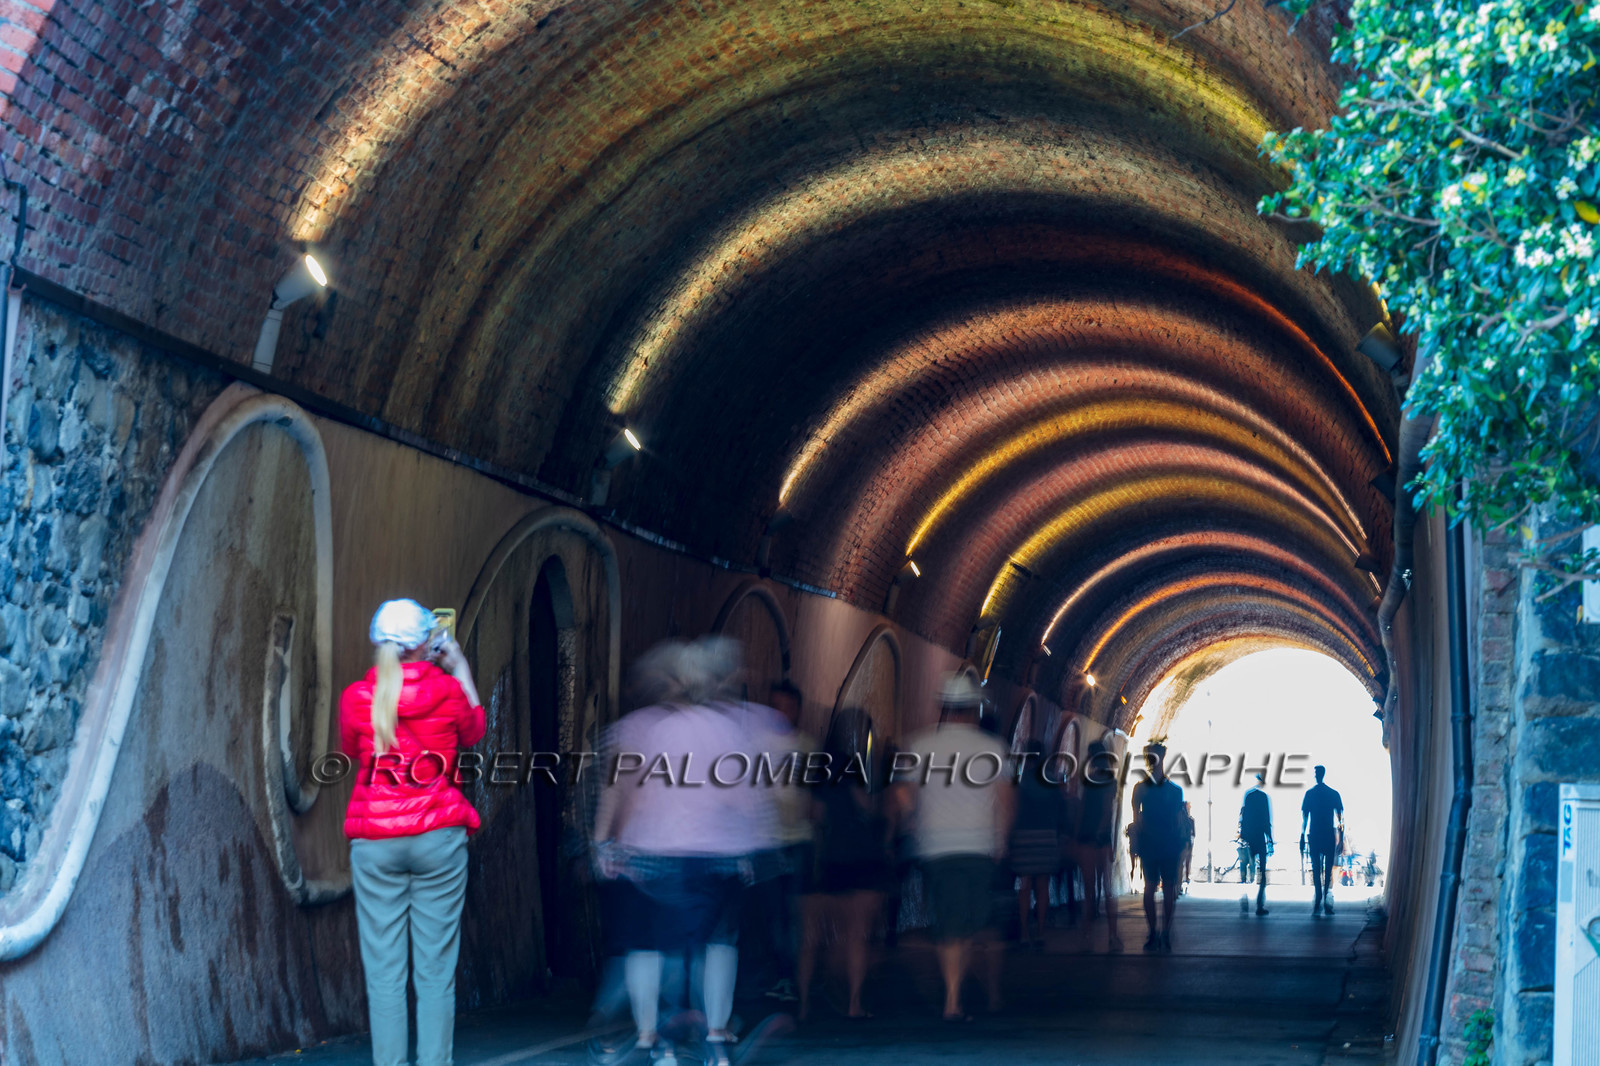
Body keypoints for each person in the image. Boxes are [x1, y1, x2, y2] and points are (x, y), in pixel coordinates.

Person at [594, 637, 783, 1065]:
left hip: (658, 856)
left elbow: (631, 792)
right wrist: (753, 846)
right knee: (717, 944)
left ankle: (658, 1041)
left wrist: (611, 845)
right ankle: (714, 1038)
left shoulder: (652, 728)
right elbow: (747, 798)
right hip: (720, 857)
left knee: (660, 947)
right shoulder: (733, 729)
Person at [341, 598, 485, 1066]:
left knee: (383, 974)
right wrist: (459, 664)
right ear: (426, 642)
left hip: (375, 839)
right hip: (437, 839)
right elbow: (475, 729)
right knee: (435, 972)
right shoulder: (446, 691)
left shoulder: (356, 698)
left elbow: (350, 748)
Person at [893, 674, 1014, 1021]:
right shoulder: (992, 749)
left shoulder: (919, 745)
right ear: (974, 708)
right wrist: (1001, 840)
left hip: (935, 849)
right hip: (978, 847)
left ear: (945, 708)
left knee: (949, 923)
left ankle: (951, 999)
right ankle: (953, 1000)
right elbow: (1004, 801)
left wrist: (911, 822)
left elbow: (903, 795)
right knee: (973, 923)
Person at [796, 707, 889, 1021]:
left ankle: (804, 1003)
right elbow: (867, 807)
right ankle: (853, 1004)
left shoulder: (816, 769)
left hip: (829, 858)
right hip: (861, 857)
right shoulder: (853, 766)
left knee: (812, 937)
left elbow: (813, 815)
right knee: (857, 934)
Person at [758, 679, 816, 1006]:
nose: (778, 713)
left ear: (796, 710)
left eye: (784, 706)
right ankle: (779, 975)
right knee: (770, 913)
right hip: (765, 842)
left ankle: (789, 977)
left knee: (792, 913)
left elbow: (812, 796)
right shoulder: (753, 745)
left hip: (797, 842)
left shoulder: (808, 746)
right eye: (773, 706)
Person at [1130, 741, 1185, 952]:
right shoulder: (1175, 790)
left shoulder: (1140, 789)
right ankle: (1165, 932)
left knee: (1150, 888)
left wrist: (1137, 845)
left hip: (1150, 844)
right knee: (1168, 888)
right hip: (1168, 844)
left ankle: (1153, 932)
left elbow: (1137, 821)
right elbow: (1178, 821)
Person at [1009, 740, 1062, 951]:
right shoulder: (1052, 779)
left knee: (1025, 886)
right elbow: (1059, 809)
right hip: (1047, 835)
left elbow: (1014, 807)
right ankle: (1040, 932)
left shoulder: (1021, 780)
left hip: (1024, 835)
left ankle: (1023, 933)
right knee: (1042, 886)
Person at [1076, 738, 1123, 952]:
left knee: (1089, 889)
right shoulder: (1111, 781)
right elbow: (1108, 811)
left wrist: (1081, 833)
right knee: (1108, 889)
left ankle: (1086, 935)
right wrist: (1106, 837)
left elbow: (1083, 808)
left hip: (1087, 836)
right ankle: (1113, 936)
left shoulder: (1088, 780)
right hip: (1101, 837)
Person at [1301, 764, 1345, 917]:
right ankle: (1324, 896)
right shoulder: (1333, 794)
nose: (1316, 776)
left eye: (1316, 773)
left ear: (1318, 774)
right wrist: (1341, 837)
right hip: (1327, 835)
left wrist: (1302, 835)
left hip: (1315, 835)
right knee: (1326, 869)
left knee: (1317, 867)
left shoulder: (1310, 794)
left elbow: (1305, 818)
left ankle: (1319, 896)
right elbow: (1340, 819)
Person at [1238, 771, 1273, 916]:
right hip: (1259, 837)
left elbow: (1243, 816)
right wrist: (1270, 839)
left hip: (1248, 838)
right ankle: (1259, 904)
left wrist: (1243, 835)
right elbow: (1266, 820)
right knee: (1262, 870)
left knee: (1246, 868)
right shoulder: (1264, 797)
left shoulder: (1249, 795)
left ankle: (1245, 898)